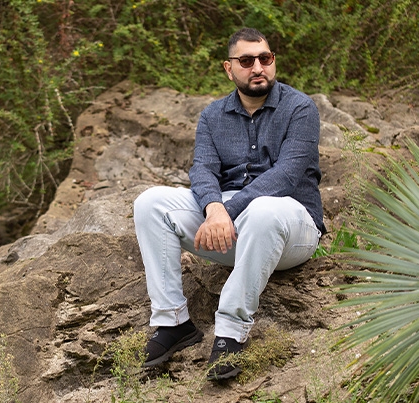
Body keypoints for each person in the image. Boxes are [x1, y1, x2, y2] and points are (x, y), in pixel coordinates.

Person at [133, 27, 326, 381]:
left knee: (264, 209)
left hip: (291, 227)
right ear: (228, 68)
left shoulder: (300, 108)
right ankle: (173, 322)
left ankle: (230, 333)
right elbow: (202, 168)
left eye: (265, 59)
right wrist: (212, 208)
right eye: (247, 60)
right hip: (232, 231)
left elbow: (286, 175)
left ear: (273, 62)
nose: (258, 67)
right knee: (151, 203)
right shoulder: (212, 115)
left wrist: (226, 210)